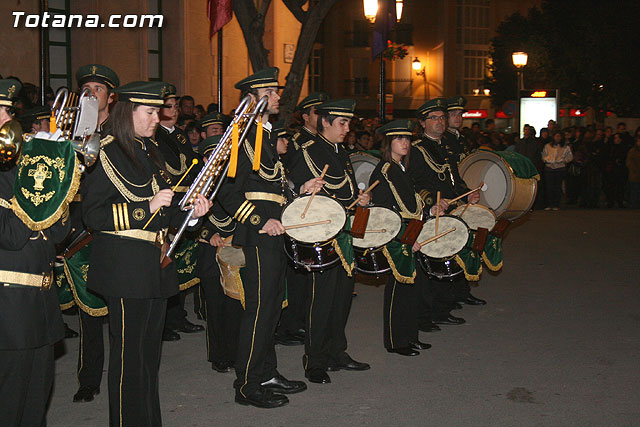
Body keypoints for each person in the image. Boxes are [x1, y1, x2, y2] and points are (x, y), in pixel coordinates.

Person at [81, 81, 211, 425]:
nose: (158, 117)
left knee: (148, 358)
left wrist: (192, 214)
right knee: (128, 359)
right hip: (124, 266)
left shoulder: (148, 150)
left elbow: (165, 210)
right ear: (129, 112)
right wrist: (144, 208)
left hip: (154, 262)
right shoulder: (104, 150)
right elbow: (92, 214)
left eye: (159, 111)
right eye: (150, 111)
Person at [217, 67, 310, 408]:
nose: (277, 95)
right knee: (259, 309)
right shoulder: (240, 135)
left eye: (275, 89)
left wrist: (300, 189)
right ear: (251, 100)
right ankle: (247, 384)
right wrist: (259, 221)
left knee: (272, 307)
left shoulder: (265, 134)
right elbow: (226, 193)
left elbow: (270, 184)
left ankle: (266, 371)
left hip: (276, 229)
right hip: (260, 233)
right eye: (269, 90)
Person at [288, 98, 371, 385]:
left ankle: (337, 352)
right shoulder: (306, 151)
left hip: (344, 234)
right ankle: (315, 361)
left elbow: (344, 191)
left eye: (349, 123)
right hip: (321, 237)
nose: (347, 129)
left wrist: (358, 199)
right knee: (320, 301)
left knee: (342, 298)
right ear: (325, 122)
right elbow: (298, 194)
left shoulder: (341, 152)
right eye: (342, 123)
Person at [0, 78, 69, 425]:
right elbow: (10, 235)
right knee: (9, 403)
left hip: (41, 302)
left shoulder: (21, 164)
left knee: (36, 404)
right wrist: (35, 189)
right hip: (7, 307)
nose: (4, 120)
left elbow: (58, 231)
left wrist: (60, 179)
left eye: (7, 112)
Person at [68, 63, 121, 403]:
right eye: (86, 88)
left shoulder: (124, 131)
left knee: (120, 312)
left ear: (111, 97)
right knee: (88, 312)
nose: (90, 93)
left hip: (115, 229)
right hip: (81, 231)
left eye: (97, 89)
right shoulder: (73, 133)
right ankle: (88, 379)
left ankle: (121, 375)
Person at [407, 98, 485, 328]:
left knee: (448, 260)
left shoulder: (446, 146)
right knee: (431, 265)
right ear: (422, 123)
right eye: (434, 118)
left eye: (442, 117)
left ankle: (443, 308)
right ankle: (426, 314)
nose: (440, 122)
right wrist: (432, 202)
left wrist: (467, 193)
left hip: (452, 209)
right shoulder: (418, 149)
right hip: (433, 211)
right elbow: (413, 183)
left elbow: (454, 179)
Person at [369, 119, 433, 356]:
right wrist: (405, 237)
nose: (405, 143)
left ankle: (410, 336)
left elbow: (410, 204)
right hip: (397, 236)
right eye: (399, 139)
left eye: (407, 138)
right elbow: (386, 210)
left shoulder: (401, 169)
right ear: (388, 143)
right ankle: (396, 341)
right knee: (399, 289)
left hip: (410, 232)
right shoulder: (386, 170)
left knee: (412, 289)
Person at [155, 83, 204, 341]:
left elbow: (192, 166)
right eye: (166, 106)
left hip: (186, 202)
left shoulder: (180, 135)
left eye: (175, 106)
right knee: (165, 263)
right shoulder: (154, 136)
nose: (172, 111)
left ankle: (176, 316)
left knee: (179, 266)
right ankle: (163, 322)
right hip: (169, 202)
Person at [196, 135, 243, 373]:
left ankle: (236, 353)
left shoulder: (236, 181)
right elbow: (185, 220)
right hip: (209, 250)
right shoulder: (195, 185)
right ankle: (219, 355)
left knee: (235, 305)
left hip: (236, 246)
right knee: (214, 305)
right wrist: (207, 234)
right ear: (205, 158)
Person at [542, 131, 573, 210]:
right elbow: (543, 155)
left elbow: (570, 157)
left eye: (559, 136)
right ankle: (549, 203)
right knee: (549, 187)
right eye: (556, 136)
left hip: (560, 168)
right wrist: (546, 160)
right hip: (549, 168)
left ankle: (556, 204)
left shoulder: (565, 147)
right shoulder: (548, 146)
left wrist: (563, 160)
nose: (557, 138)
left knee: (557, 187)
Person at [626, 135, 640, 208]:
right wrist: (634, 170)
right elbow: (629, 162)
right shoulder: (632, 151)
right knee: (635, 190)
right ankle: (634, 204)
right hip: (635, 174)